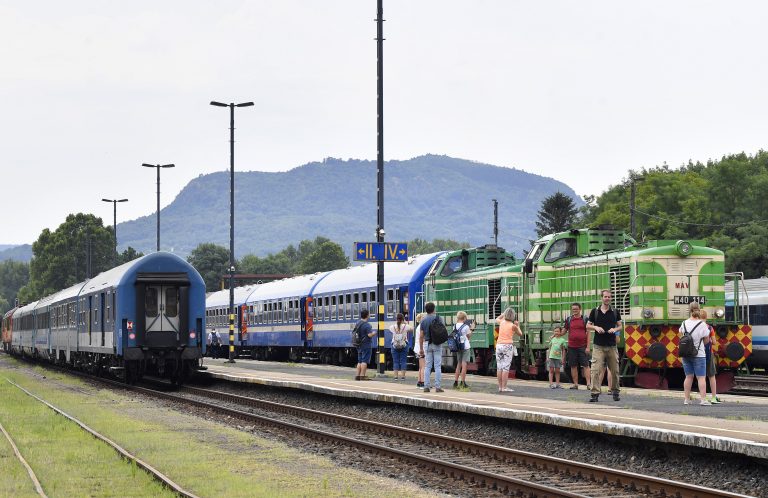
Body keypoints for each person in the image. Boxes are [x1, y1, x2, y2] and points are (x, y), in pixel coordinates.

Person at [587, 290, 622, 402]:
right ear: (601, 298)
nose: (607, 298)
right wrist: (596, 327)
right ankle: (594, 394)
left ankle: (615, 391)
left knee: (615, 370)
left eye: (609, 297)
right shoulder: (595, 311)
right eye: (605, 297)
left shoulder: (615, 312)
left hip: (612, 346)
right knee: (595, 370)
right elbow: (588, 325)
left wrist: (615, 329)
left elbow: (620, 326)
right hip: (598, 346)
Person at [681, 302, 712, 405]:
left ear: (689, 310)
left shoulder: (684, 323)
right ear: (699, 309)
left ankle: (686, 399)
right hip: (699, 354)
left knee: (688, 377)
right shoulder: (702, 324)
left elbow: (682, 336)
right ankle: (703, 400)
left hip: (686, 354)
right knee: (701, 378)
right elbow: (707, 340)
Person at [563, 303, 591, 390]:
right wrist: (556, 334)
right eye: (573, 309)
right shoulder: (569, 319)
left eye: (576, 309)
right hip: (572, 346)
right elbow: (564, 330)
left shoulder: (585, 319)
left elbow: (589, 333)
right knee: (573, 365)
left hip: (582, 346)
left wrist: (588, 346)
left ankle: (589, 384)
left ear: (580, 309)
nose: (574, 311)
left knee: (586, 365)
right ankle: (575, 384)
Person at [418, 302, 445, 393]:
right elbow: (442, 331)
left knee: (427, 366)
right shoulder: (439, 318)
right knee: (437, 366)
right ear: (434, 309)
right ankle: (437, 387)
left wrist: (421, 348)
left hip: (427, 344)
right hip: (437, 343)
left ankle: (426, 386)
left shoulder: (423, 320)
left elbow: (421, 336)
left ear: (426, 310)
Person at [495, 307, 523, 393]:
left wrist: (502, 314)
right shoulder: (513, 326)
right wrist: (518, 326)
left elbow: (497, 319)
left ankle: (500, 387)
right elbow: (520, 334)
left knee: (499, 367)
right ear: (513, 316)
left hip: (499, 345)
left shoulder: (501, 322)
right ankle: (504, 387)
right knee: (506, 367)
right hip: (507, 346)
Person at [700, 310, 722, 404]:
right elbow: (714, 342)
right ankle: (713, 397)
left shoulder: (696, 327)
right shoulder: (710, 328)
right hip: (708, 353)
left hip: (698, 355)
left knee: (700, 377)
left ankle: (702, 398)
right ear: (706, 317)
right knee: (711, 375)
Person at [452, 311, 473, 390]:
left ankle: (455, 382)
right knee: (464, 365)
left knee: (458, 364)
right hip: (465, 347)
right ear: (464, 318)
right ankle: (463, 382)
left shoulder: (454, 326)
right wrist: (472, 330)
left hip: (458, 347)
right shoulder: (466, 326)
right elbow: (468, 336)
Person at [389, 313, 412, 381]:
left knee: (395, 361)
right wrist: (405, 322)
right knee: (403, 361)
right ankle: (403, 377)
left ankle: (395, 376)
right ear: (403, 319)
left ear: (396, 319)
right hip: (404, 345)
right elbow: (411, 328)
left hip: (394, 345)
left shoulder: (392, 327)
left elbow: (390, 330)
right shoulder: (405, 326)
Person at [354, 309, 376, 381]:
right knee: (364, 361)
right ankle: (362, 376)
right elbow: (369, 335)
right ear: (367, 315)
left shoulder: (358, 323)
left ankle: (357, 375)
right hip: (366, 344)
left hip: (358, 344)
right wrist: (374, 333)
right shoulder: (367, 325)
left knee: (359, 360)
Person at [412, 313, 426, 388]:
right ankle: (423, 383)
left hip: (417, 348)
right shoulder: (422, 327)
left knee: (421, 367)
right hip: (421, 348)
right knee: (424, 366)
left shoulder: (418, 327)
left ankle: (419, 381)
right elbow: (423, 338)